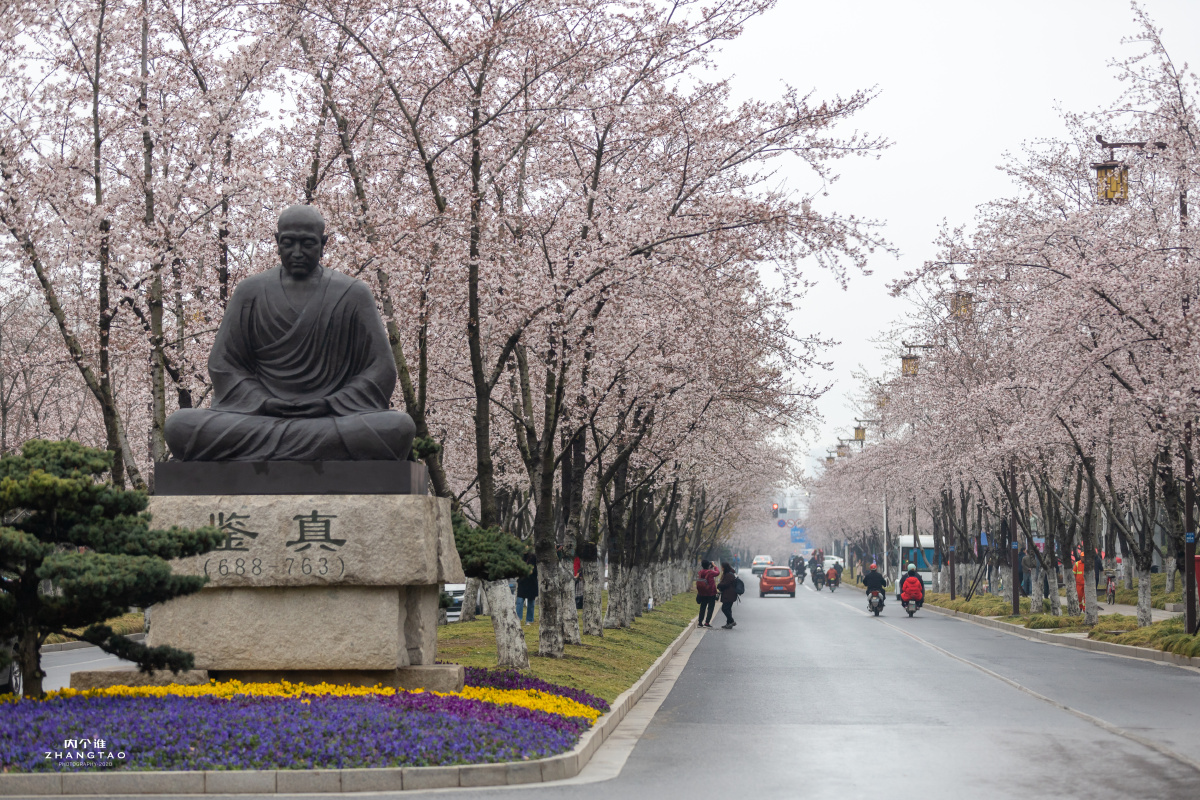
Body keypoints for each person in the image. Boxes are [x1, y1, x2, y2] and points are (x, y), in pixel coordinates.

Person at [165, 205, 415, 461]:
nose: (297, 253)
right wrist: (263, 402)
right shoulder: (250, 292)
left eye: (307, 243)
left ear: (323, 243)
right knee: (179, 426)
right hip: (262, 417)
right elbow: (223, 365)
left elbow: (381, 369)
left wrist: (329, 403)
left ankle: (276, 454)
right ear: (276, 241)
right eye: (288, 243)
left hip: (332, 418)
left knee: (399, 428)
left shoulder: (352, 293)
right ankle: (312, 452)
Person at [515, 552, 538, 625]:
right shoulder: (520, 557)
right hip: (522, 582)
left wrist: (530, 571)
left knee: (531, 602)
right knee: (520, 601)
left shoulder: (534, 557)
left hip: (531, 582)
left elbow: (535, 569)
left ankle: (529, 620)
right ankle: (518, 619)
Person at [696, 559, 719, 628]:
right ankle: (707, 622)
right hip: (711, 593)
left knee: (702, 607)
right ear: (709, 565)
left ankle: (700, 622)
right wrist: (714, 566)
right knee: (710, 608)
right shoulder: (711, 572)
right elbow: (718, 572)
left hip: (702, 593)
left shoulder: (700, 572)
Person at [717, 562, 738, 629]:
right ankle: (728, 624)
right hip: (729, 594)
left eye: (722, 567)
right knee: (728, 609)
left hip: (729, 594)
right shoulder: (728, 573)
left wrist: (719, 585)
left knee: (724, 608)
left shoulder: (728, 575)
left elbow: (726, 584)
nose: (721, 568)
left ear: (725, 567)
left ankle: (731, 621)